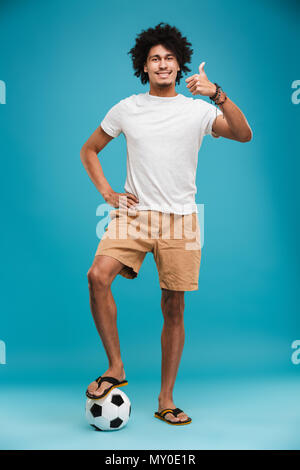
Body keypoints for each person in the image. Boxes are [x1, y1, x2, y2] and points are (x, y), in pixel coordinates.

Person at [80, 22, 252, 426]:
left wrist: (219, 95)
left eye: (169, 58)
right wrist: (109, 193)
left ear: (179, 66)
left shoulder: (197, 110)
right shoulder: (127, 108)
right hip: (134, 215)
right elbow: (89, 150)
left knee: (174, 306)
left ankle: (165, 399)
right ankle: (116, 367)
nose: (162, 64)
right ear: (144, 65)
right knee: (97, 276)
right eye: (155, 58)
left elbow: (243, 134)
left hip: (183, 220)